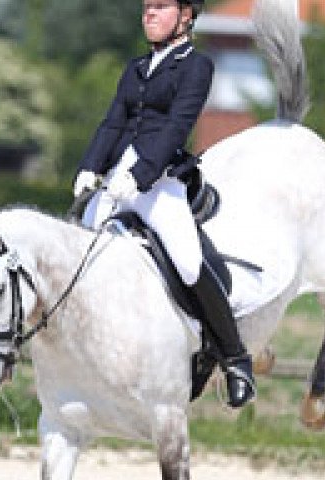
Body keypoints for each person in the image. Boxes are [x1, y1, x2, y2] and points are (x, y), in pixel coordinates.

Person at [72, 0, 255, 408]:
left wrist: (138, 177)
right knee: (79, 249)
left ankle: (234, 357)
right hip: (115, 178)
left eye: (159, 7)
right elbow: (113, 122)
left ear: (186, 15)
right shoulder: (135, 67)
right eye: (145, 7)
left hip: (158, 182)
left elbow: (176, 129)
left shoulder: (196, 66)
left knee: (188, 261)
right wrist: (90, 166)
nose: (148, 14)